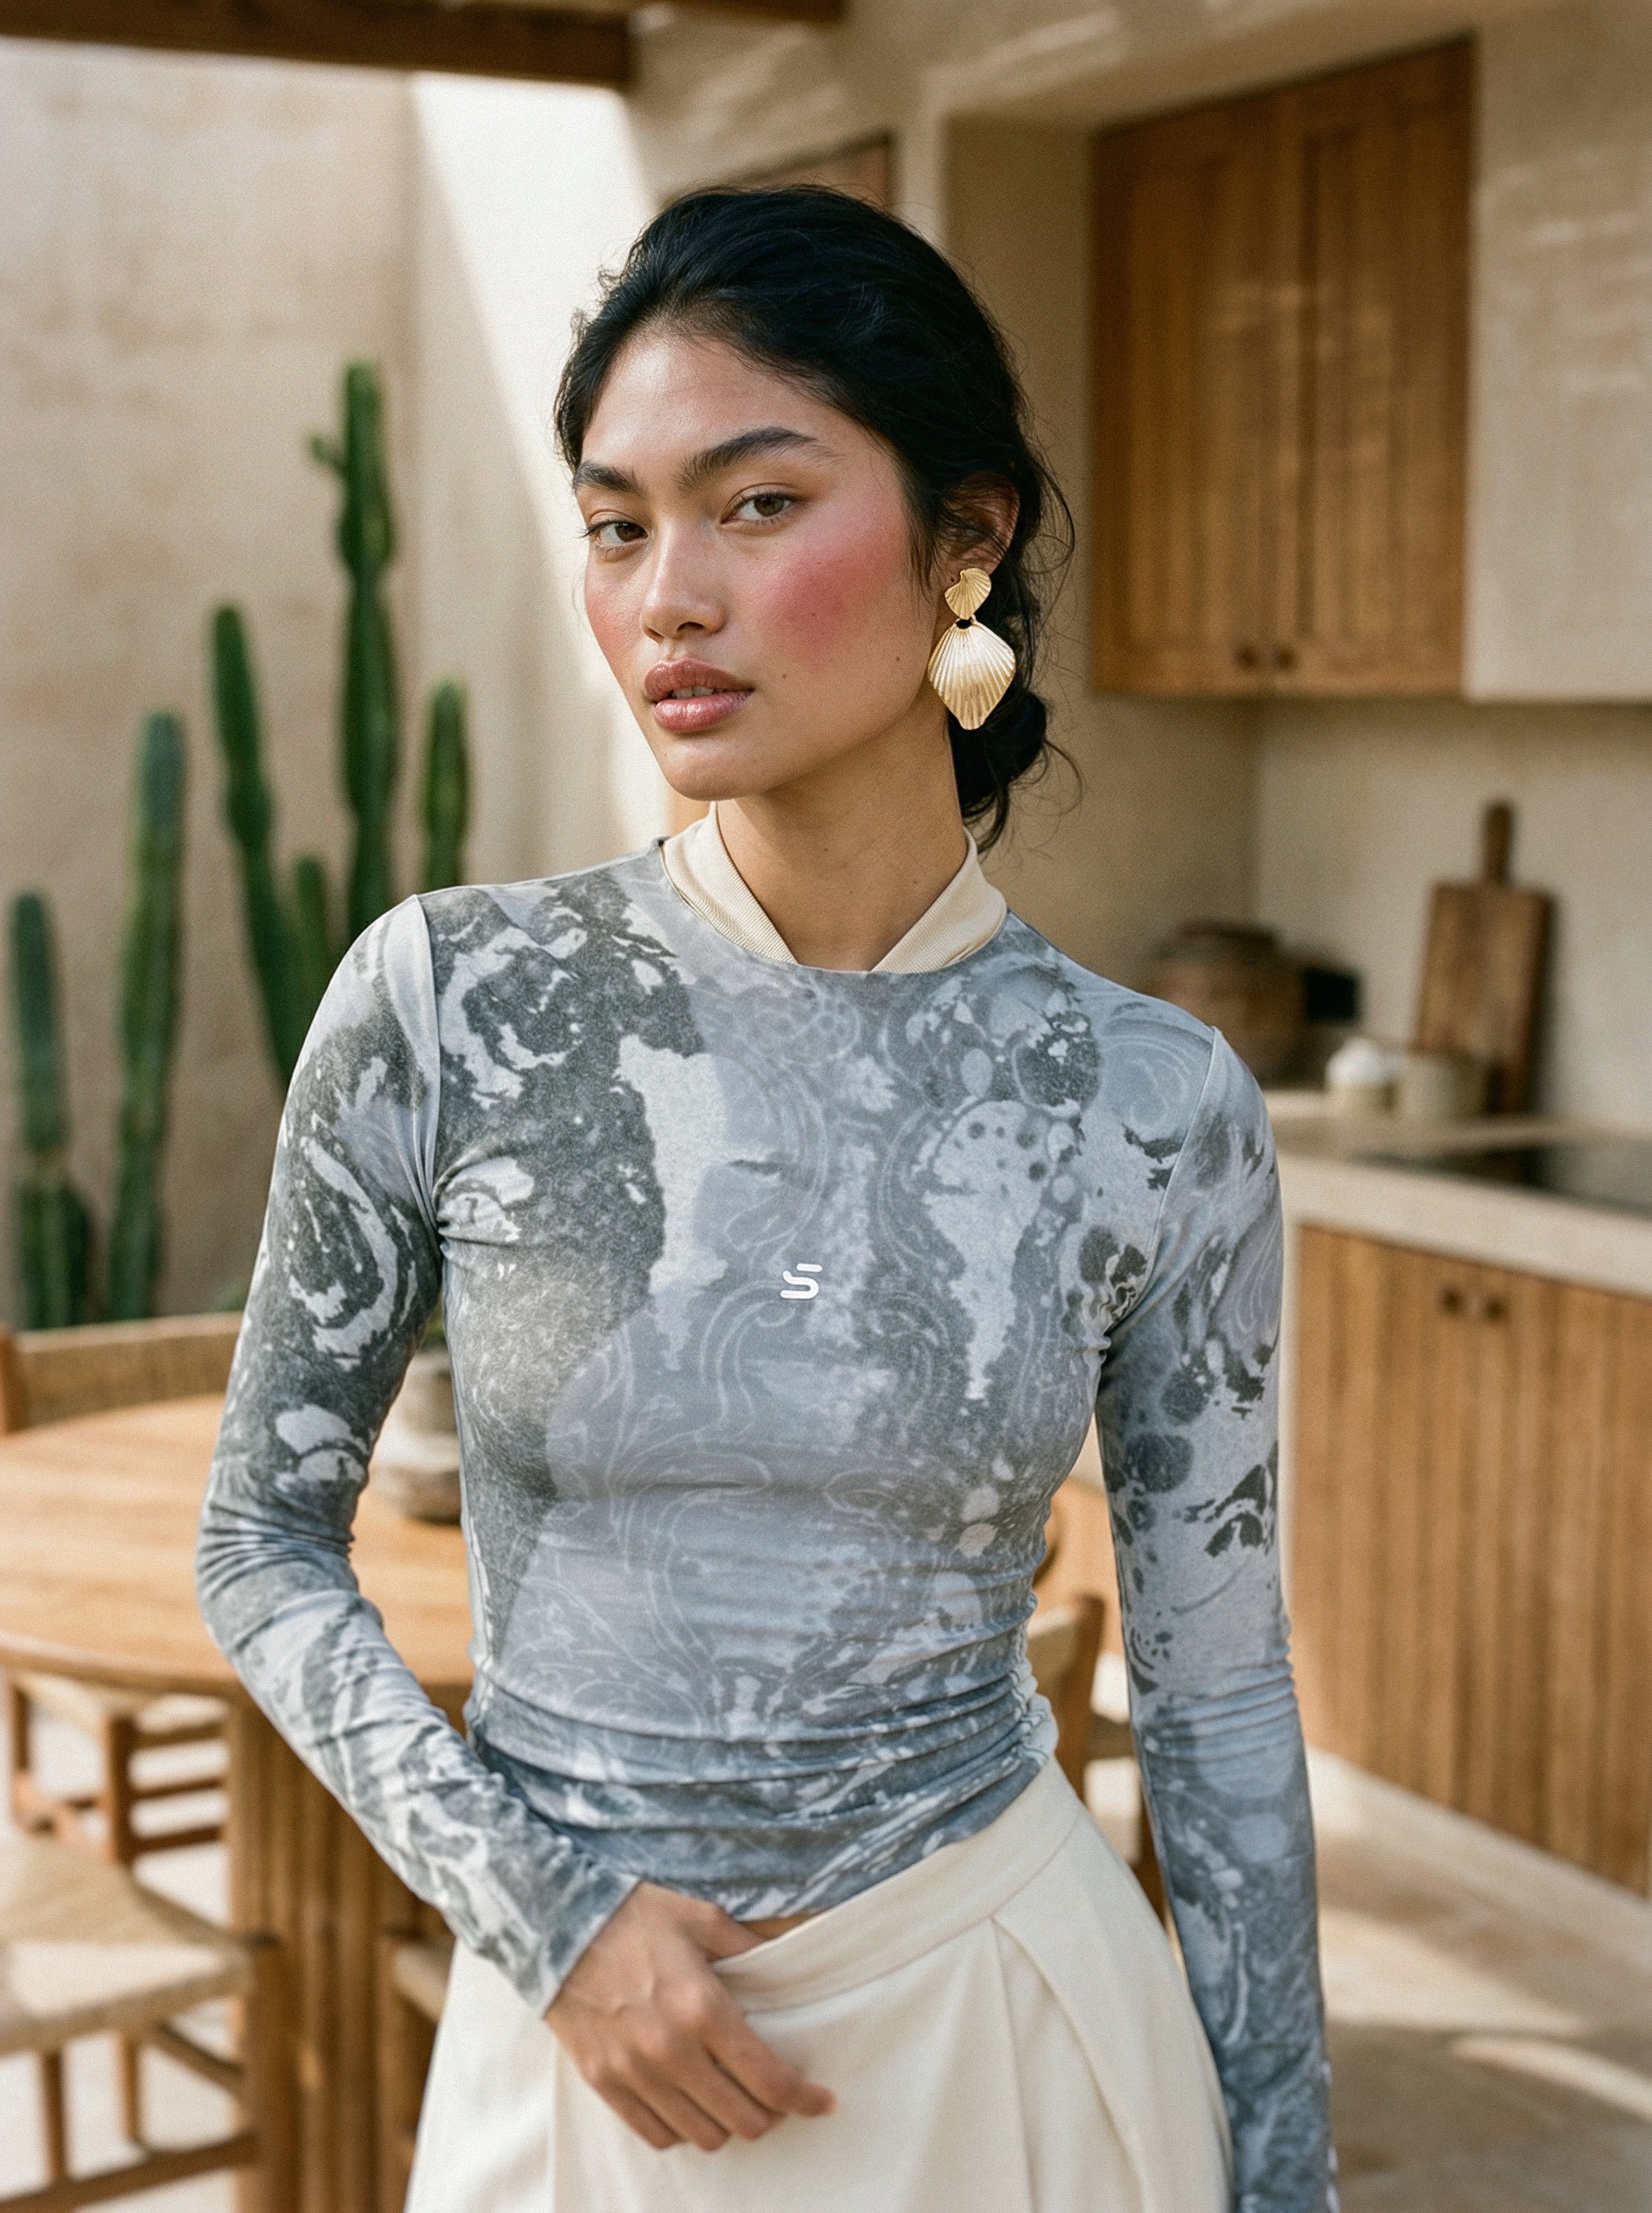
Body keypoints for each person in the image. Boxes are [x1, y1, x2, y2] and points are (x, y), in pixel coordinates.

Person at [197, 187, 1334, 2213]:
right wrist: (543, 1916)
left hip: (1012, 2039)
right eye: (618, 523)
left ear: (961, 542)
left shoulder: (1153, 1107)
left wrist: (1286, 2177)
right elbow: (264, 1550)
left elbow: (1218, 1695)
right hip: (588, 2061)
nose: (665, 597)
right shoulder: (457, 1001)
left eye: (754, 503)